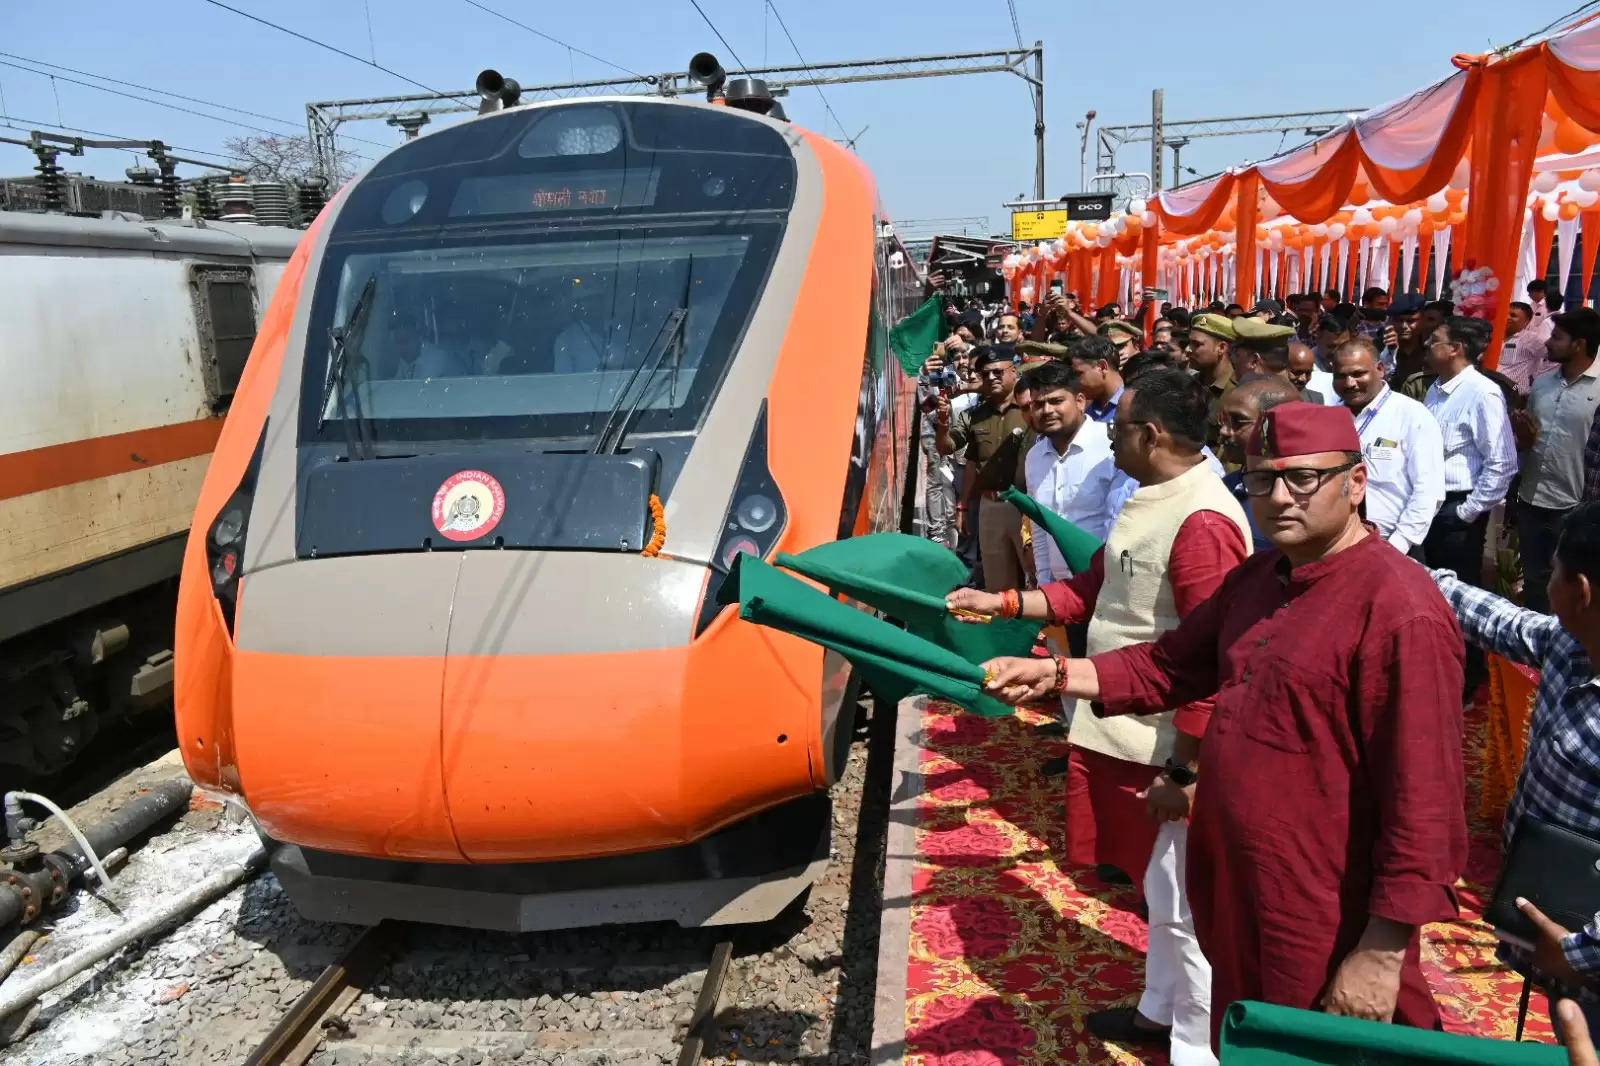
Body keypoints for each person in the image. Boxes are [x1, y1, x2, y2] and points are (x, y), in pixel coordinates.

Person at [981, 401, 1468, 1049]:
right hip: (1240, 882)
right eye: (1262, 479)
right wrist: (1059, 676)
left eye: (1303, 478)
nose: (1278, 498)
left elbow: (1426, 800)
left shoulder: (1399, 608)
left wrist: (1381, 949)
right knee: (1242, 1037)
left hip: (1324, 904)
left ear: (1356, 484)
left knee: (1315, 1050)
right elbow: (1173, 664)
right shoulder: (1261, 578)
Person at [950, 369, 1251, 1066]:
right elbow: (1098, 587)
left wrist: (1189, 769)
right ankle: (1159, 1011)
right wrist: (1004, 605)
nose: (1109, 441)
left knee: (1185, 908)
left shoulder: (1202, 521)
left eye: (1118, 431)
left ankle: (1198, 1049)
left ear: (1149, 436)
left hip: (1166, 746)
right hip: (1129, 730)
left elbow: (1214, 662)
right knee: (1160, 893)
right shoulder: (1156, 496)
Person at [1429, 503, 1600, 1035]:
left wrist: (1580, 953)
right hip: (1556, 924)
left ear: (1582, 591)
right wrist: (1405, 570)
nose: (1545, 586)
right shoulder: (1573, 643)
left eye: (1553, 573)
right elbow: (1504, 622)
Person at [1421, 315, 1517, 592]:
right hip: (1433, 504)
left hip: (1457, 508)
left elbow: (1503, 462)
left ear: (1456, 348)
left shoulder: (1482, 393)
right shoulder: (1436, 389)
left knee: (1459, 591)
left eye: (1435, 340)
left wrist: (1467, 512)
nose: (1427, 344)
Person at [1515, 308, 1600, 613]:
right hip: (1531, 501)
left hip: (1575, 507)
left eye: (1556, 337)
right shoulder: (1542, 384)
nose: (1547, 343)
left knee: (1574, 586)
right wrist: (1522, 438)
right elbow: (1529, 441)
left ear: (1579, 344)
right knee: (1536, 583)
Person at [1332, 338, 1445, 557]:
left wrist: (1397, 546)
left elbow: (1429, 490)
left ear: (1380, 369)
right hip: (1338, 544)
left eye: (1358, 374)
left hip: (1395, 545)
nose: (1349, 383)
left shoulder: (1411, 415)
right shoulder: (1329, 416)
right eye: (1340, 376)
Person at [935, 345, 1030, 591]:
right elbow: (951, 450)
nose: (991, 378)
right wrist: (943, 423)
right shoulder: (974, 416)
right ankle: (1006, 629)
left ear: (1014, 372)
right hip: (991, 508)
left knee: (1034, 578)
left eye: (998, 372)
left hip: (1027, 507)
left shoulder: (1032, 411)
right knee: (998, 585)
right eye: (985, 374)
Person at [1217, 376, 1302, 552]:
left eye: (1237, 422)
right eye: (1223, 421)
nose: (1224, 431)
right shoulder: (1227, 486)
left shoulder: (1301, 499)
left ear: (1277, 424)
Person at [1184, 313, 1237, 449]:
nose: (1188, 350)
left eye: (1197, 344)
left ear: (1221, 348)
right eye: (1189, 343)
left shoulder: (1239, 392)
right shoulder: (1190, 385)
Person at [1067, 335, 1126, 424]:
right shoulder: (1086, 413)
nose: (1075, 381)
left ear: (1102, 367)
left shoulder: (1136, 405)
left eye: (1079, 374)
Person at [1384, 294, 1430, 398]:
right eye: (1399, 321)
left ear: (1423, 321)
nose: (1404, 326)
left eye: (1411, 321)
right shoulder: (1382, 348)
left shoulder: (1430, 350)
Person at [1498, 302, 1546, 397]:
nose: (1507, 317)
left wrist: (1539, 380)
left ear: (1526, 321)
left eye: (1513, 315)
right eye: (1506, 313)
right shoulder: (1494, 335)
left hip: (1514, 393)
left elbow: (1554, 357)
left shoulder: (1531, 339)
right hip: (1491, 388)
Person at [1229, 318, 1295, 383]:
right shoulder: (1289, 391)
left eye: (1237, 355)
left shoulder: (1246, 392)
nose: (1234, 361)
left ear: (1254, 360)